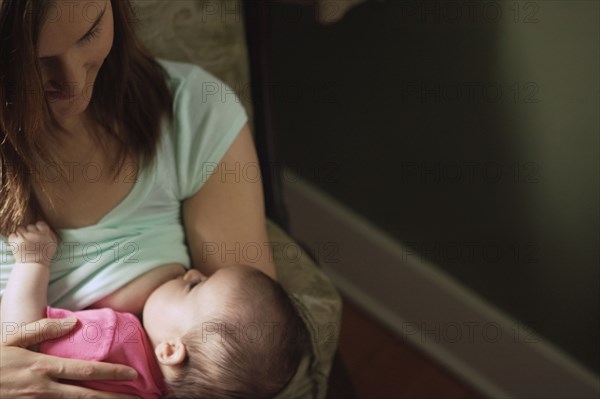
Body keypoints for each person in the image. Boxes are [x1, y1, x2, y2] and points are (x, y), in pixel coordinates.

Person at [0, 0, 292, 397]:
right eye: (33, 61)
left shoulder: (194, 113)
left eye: (89, 33)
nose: (72, 82)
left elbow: (242, 356)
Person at [2, 221, 309, 399]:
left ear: (171, 350)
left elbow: (21, 338)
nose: (192, 271)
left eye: (195, 286)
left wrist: (33, 261)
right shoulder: (152, 391)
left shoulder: (112, 338)